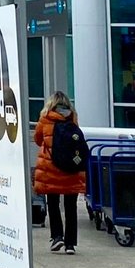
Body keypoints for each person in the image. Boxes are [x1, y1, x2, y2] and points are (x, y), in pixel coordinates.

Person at [33, 91, 87, 255]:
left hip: (51, 168)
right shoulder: (73, 117)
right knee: (71, 207)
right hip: (72, 169)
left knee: (53, 204)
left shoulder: (46, 118)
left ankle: (57, 237)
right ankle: (70, 244)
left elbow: (37, 139)